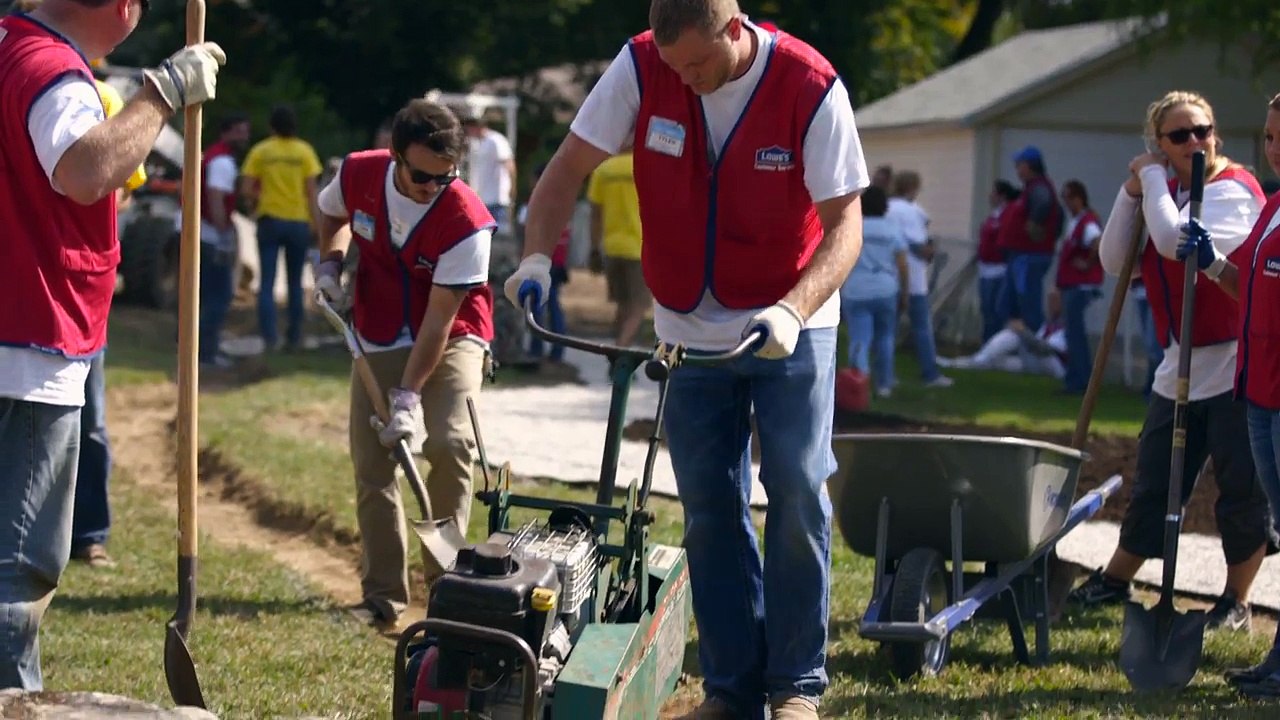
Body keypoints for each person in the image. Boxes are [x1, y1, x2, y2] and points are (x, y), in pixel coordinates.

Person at [505, 2, 868, 718]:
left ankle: (796, 687)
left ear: (735, 28)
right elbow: (566, 167)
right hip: (686, 329)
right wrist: (535, 260)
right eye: (676, 69)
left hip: (790, 320)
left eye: (699, 65)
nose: (688, 81)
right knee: (709, 509)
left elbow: (845, 225)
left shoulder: (809, 84)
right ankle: (733, 691)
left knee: (796, 490)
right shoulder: (643, 65)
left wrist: (794, 309)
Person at [0, 0, 224, 690]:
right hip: (27, 346)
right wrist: (162, 93)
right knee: (15, 565)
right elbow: (85, 169)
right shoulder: (51, 70)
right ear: (123, 7)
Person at [1068, 90, 1275, 632]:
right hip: (1178, 363)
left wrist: (1152, 180)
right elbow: (1115, 260)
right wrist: (1132, 188)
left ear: (1216, 134)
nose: (1195, 143)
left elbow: (1170, 242)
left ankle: (1235, 599)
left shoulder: (1233, 191)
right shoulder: (1172, 191)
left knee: (1240, 488)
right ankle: (1116, 578)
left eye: (1202, 131)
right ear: (1158, 144)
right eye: (1179, 136)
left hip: (1235, 363)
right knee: (1154, 480)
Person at [313, 98, 494, 630]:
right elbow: (330, 210)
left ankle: (446, 593)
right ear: (395, 156)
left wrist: (408, 397)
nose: (431, 187)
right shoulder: (359, 173)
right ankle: (382, 597)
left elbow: (439, 323)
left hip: (453, 334)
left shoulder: (467, 221)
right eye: (420, 176)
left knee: (450, 443)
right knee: (373, 465)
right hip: (378, 324)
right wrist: (330, 263)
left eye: (445, 177)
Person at [1177, 93, 1280, 697]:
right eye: (1269, 137)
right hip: (1261, 396)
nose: (1273, 149)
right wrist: (1214, 263)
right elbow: (1245, 283)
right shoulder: (1272, 209)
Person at [240, 104, 323, 352]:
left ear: (271, 126)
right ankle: (294, 337)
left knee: (266, 283)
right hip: (297, 222)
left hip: (270, 220)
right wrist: (317, 225)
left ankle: (269, 337)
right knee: (295, 283)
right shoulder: (305, 152)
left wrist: (255, 204)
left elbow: (246, 188)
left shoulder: (262, 151)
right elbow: (311, 193)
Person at [886, 171, 953, 388]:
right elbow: (918, 245)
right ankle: (930, 373)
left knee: (888, 331)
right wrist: (930, 251)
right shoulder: (912, 211)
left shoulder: (886, 207)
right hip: (913, 280)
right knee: (922, 327)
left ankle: (885, 376)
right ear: (913, 188)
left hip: (888, 277)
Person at [840, 185, 907, 398]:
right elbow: (903, 263)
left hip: (856, 290)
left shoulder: (854, 227)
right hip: (886, 289)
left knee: (860, 338)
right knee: (886, 338)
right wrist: (904, 293)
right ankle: (885, 384)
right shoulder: (892, 228)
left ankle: (859, 383)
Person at [196, 113, 251, 369]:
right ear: (227, 132)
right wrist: (223, 234)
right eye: (239, 131)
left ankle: (204, 349)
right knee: (219, 296)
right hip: (211, 236)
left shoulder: (216, 156)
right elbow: (216, 197)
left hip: (204, 234)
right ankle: (206, 353)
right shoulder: (222, 162)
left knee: (208, 296)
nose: (244, 137)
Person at [587, 148, 650, 347]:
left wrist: (594, 247)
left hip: (612, 246)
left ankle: (617, 349)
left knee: (623, 305)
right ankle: (621, 351)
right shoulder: (646, 168)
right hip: (639, 246)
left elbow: (595, 214)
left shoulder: (603, 171)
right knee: (639, 306)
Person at [997, 145, 1063, 332]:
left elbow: (1045, 203)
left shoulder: (1039, 187)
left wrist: (1035, 223)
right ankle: (1017, 347)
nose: (1017, 168)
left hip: (1028, 256)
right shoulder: (1030, 188)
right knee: (1009, 305)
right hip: (1021, 256)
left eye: (1020, 164)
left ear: (1029, 166)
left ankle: (1035, 348)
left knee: (1027, 305)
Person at [939, 288, 1068, 378]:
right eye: (1050, 300)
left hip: (1055, 367)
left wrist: (1022, 331)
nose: (1050, 304)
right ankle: (958, 364)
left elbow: (1045, 350)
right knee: (995, 361)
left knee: (1014, 334)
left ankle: (975, 361)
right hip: (1036, 362)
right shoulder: (1050, 322)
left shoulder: (1066, 325)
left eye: (1054, 300)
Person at [1055, 179, 1104, 395]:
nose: (1066, 203)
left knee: (1075, 335)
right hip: (1070, 284)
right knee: (1071, 334)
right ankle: (1074, 377)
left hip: (1080, 286)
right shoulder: (1075, 221)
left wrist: (1087, 262)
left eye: (1069, 198)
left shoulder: (1087, 221)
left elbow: (1097, 242)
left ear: (1079, 198)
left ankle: (1080, 379)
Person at [520, 164, 570, 363]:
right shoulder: (563, 203)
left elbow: (525, 234)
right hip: (556, 263)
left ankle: (536, 347)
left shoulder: (534, 204)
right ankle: (557, 349)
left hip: (538, 262)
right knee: (553, 305)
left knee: (536, 305)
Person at [976, 180, 1018, 342]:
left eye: (993, 192)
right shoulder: (993, 215)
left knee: (994, 310)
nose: (990, 196)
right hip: (985, 268)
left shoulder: (1006, 214)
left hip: (998, 269)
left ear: (1002, 196)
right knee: (986, 309)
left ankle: (993, 343)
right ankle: (986, 343)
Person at [462, 112, 515, 233]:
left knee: (500, 237)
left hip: (497, 198)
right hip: (482, 199)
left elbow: (509, 165)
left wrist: (512, 191)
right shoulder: (477, 144)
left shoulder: (496, 141)